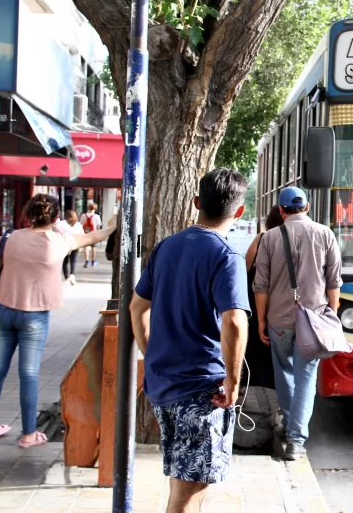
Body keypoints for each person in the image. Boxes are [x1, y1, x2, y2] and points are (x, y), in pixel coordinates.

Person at [129, 168, 250, 513]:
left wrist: (150, 354)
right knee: (188, 493)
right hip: (201, 390)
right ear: (238, 212)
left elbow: (137, 308)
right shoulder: (226, 256)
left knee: (185, 484)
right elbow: (234, 323)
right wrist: (233, 380)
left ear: (197, 203)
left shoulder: (167, 247)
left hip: (164, 385)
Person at [0, 194, 115, 447]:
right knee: (28, 374)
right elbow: (92, 237)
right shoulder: (59, 240)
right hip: (34, 314)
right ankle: (29, 435)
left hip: (1, 310)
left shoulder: (10, 237)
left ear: (28, 214)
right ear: (55, 218)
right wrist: (114, 225)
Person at [253, 187, 342, 461]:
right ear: (307, 207)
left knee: (284, 373)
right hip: (314, 320)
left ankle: (290, 427)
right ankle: (296, 440)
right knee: (306, 378)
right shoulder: (325, 234)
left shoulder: (269, 238)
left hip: (279, 319)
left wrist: (261, 320)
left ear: (281, 211)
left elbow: (261, 285)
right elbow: (334, 281)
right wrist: (333, 314)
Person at [243, 206, 283, 390]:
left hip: (257, 306)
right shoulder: (298, 240)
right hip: (283, 308)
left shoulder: (261, 239)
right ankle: (281, 406)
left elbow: (245, 270)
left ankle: (248, 384)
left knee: (255, 353)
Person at [56, 210, 84, 285]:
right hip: (75, 244)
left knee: (65, 261)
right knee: (73, 260)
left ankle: (66, 276)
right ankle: (72, 275)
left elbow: (56, 233)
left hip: (64, 244)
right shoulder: (78, 225)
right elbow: (82, 235)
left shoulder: (61, 224)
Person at [80, 203, 102, 267]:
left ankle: (86, 261)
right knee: (93, 247)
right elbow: (98, 226)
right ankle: (93, 261)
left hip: (86, 233)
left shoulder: (84, 215)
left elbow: (81, 224)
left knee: (86, 247)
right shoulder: (96, 216)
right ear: (95, 209)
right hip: (94, 233)